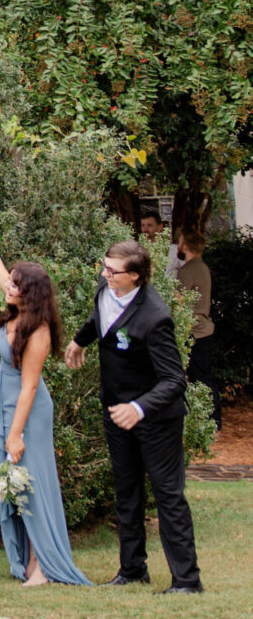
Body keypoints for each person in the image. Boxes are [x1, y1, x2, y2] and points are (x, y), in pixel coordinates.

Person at [0, 195, 88, 589]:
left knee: (31, 481)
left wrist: (15, 433)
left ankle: (43, 566)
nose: (7, 284)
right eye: (10, 280)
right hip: (7, 400)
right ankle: (29, 561)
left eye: (15, 282)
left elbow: (30, 386)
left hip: (28, 410)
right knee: (14, 482)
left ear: (29, 292)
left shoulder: (39, 330)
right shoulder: (14, 310)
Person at [65, 239, 202, 593]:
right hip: (116, 412)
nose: (105, 274)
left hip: (156, 419)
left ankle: (187, 581)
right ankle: (132, 569)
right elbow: (100, 318)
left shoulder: (155, 317)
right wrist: (80, 341)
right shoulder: (106, 287)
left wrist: (138, 407)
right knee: (126, 491)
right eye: (104, 266)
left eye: (113, 271)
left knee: (168, 494)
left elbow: (174, 380)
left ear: (137, 277)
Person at [174, 228, 220, 429]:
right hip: (204, 329)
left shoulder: (188, 270)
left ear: (185, 245)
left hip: (195, 331)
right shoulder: (202, 267)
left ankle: (212, 421)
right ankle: (210, 419)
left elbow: (178, 299)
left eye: (180, 241)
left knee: (199, 377)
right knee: (202, 375)